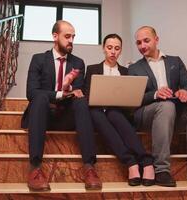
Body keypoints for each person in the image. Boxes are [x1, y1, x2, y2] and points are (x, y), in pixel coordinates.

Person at [128, 26, 187, 187]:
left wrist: (185, 92)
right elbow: (134, 98)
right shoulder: (134, 68)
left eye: (146, 40)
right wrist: (156, 94)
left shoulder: (175, 61)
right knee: (166, 106)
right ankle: (161, 170)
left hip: (174, 113)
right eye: (138, 43)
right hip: (148, 114)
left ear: (157, 39)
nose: (142, 46)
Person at [21, 20, 102, 191]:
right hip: (41, 115)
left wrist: (69, 87)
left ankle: (89, 167)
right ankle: (35, 168)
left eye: (73, 36)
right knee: (40, 97)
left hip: (66, 117)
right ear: (55, 36)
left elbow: (78, 92)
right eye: (67, 36)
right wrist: (60, 93)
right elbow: (31, 92)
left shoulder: (78, 63)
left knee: (81, 101)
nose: (71, 40)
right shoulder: (38, 59)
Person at [84, 34, 155, 186]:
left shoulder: (126, 71)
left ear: (120, 50)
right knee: (97, 114)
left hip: (118, 112)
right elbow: (86, 95)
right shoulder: (92, 69)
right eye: (109, 48)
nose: (113, 52)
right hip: (96, 111)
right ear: (103, 48)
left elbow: (130, 97)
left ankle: (145, 161)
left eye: (117, 48)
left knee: (113, 112)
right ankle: (131, 162)